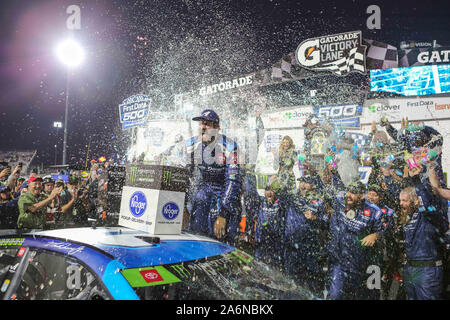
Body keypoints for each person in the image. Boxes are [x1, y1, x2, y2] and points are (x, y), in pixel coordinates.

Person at [184, 109, 241, 244]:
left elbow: (233, 182)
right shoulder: (191, 145)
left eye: (207, 124)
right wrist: (183, 207)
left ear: (217, 128)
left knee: (222, 234)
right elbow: (184, 177)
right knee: (196, 229)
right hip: (205, 188)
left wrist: (223, 214)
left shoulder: (230, 146)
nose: (202, 127)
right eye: (200, 124)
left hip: (224, 190)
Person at [326, 179, 384, 300]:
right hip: (339, 262)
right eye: (348, 191)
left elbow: (386, 231)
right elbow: (326, 190)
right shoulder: (340, 202)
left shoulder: (374, 211)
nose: (349, 195)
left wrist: (376, 235)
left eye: (353, 193)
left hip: (361, 265)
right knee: (335, 296)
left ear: (362, 195)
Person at [399, 184, 448, 300]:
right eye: (400, 200)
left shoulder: (428, 216)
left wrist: (417, 182)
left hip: (427, 270)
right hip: (410, 268)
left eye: (404, 201)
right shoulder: (408, 217)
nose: (401, 204)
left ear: (416, 201)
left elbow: (426, 204)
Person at [283, 175, 329, 296]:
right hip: (291, 247)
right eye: (301, 182)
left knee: (312, 284)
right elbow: (281, 191)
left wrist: (315, 218)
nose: (302, 185)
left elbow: (325, 222)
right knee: (291, 283)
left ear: (313, 185)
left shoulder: (319, 201)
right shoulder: (292, 197)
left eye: (306, 183)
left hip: (310, 249)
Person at [244, 174, 286, 271]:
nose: (269, 193)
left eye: (272, 189)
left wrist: (278, 181)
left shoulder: (282, 203)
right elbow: (250, 192)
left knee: (275, 275)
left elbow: (287, 193)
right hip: (261, 245)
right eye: (267, 189)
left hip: (276, 247)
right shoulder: (260, 202)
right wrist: (249, 173)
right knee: (259, 272)